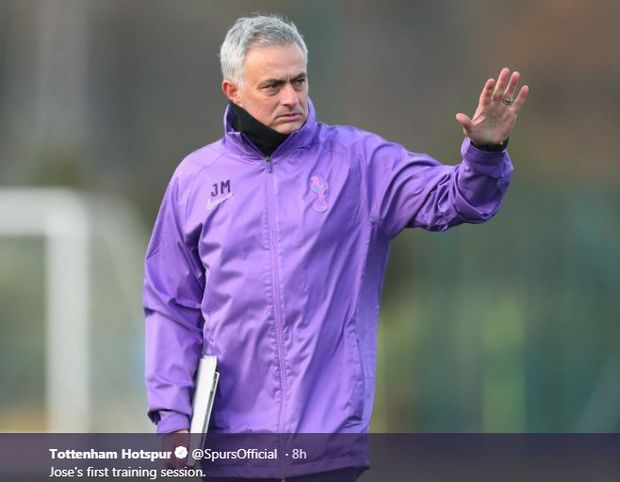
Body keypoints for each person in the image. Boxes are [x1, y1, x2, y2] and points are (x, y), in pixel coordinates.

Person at [144, 14, 528, 481]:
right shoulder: (194, 180)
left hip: (327, 447)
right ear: (233, 91)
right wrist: (173, 421)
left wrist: (485, 153)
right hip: (229, 451)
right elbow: (171, 306)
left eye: (299, 80)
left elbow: (456, 199)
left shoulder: (358, 163)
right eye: (273, 86)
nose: (291, 98)